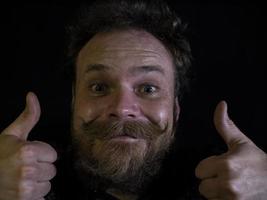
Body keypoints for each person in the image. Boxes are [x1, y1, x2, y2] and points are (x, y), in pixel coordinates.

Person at [0, 0, 267, 199]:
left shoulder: (223, 184)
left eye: (148, 88)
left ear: (175, 109)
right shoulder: (20, 178)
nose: (122, 108)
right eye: (99, 86)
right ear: (73, 101)